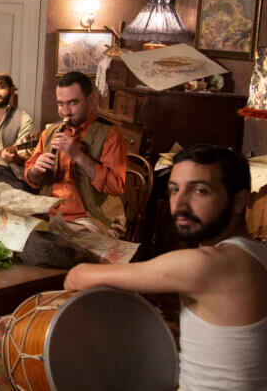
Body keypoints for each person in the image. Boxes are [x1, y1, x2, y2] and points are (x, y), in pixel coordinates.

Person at [65, 145, 267, 390]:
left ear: (239, 201)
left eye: (199, 190)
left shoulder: (207, 264)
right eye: (174, 190)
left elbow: (78, 277)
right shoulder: (257, 254)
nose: (179, 204)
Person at [24, 71, 127, 238]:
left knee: (60, 251)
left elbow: (115, 186)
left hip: (88, 219)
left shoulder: (110, 134)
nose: (65, 112)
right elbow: (31, 177)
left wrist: (78, 155)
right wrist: (35, 171)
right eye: (60, 104)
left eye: (72, 103)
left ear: (91, 99)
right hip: (48, 214)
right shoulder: (50, 132)